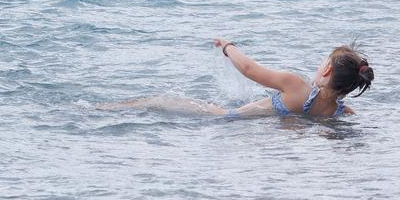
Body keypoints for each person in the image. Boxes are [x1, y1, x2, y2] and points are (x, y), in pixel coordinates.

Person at [106, 42, 373, 120]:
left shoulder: (296, 85)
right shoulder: (342, 111)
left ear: (326, 71)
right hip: (257, 129)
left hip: (224, 117)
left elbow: (248, 69)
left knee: (157, 101)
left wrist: (227, 46)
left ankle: (107, 109)